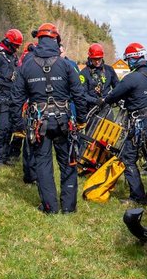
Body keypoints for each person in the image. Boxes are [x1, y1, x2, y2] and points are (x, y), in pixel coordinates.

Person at [8, 23, 88, 214]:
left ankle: (49, 207)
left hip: (39, 123)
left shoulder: (26, 66)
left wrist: (18, 126)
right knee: (68, 161)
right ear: (56, 40)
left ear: (39, 40)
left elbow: (15, 99)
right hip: (63, 121)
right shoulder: (66, 65)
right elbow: (79, 94)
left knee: (43, 164)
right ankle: (69, 207)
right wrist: (81, 120)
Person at [103, 42, 147, 205]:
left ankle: (137, 196)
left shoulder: (131, 78)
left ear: (131, 60)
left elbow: (112, 96)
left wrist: (105, 100)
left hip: (140, 125)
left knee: (128, 158)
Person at [0, 28, 23, 166]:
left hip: (11, 98)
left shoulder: (13, 57)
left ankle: (4, 155)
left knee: (9, 128)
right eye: (16, 46)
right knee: (2, 127)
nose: (17, 49)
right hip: (0, 98)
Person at [78, 43, 119, 118]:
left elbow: (118, 87)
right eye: (95, 59)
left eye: (99, 59)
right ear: (90, 58)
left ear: (102, 57)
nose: (97, 62)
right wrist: (95, 101)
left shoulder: (109, 70)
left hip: (107, 109)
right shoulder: (84, 73)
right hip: (92, 110)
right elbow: (82, 94)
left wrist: (114, 98)